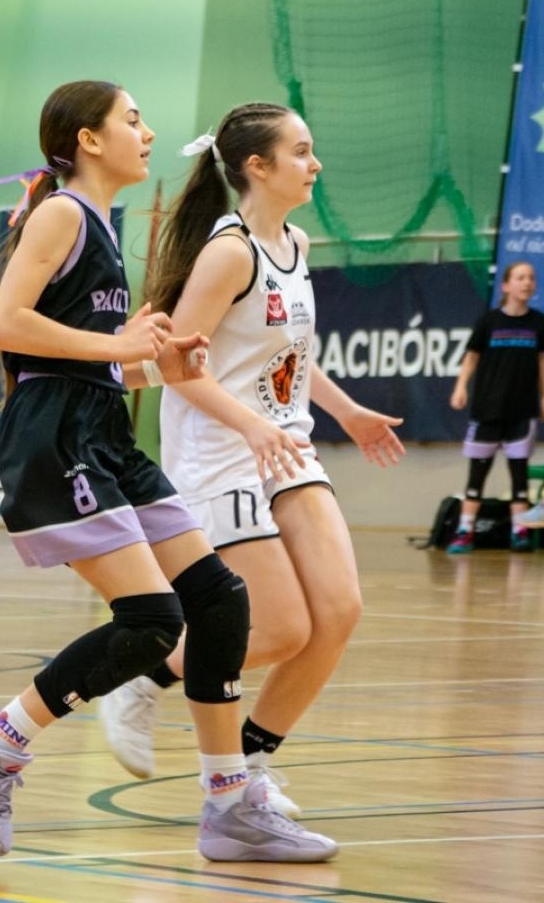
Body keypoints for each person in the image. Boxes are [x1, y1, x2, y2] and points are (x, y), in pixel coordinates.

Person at [0, 81, 337, 863]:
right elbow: (6, 326)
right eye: (132, 119)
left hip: (103, 431)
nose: (148, 132)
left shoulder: (99, 224)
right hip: (55, 439)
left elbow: (97, 358)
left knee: (219, 600)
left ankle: (230, 804)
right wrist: (120, 345)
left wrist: (156, 360)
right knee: (153, 620)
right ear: (89, 140)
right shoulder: (61, 212)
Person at [96, 103, 404, 818]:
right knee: (281, 629)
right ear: (257, 167)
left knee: (339, 612)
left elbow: (289, 353)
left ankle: (254, 763)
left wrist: (346, 411)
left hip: (282, 443)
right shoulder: (229, 253)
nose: (315, 164)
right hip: (222, 453)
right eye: (301, 151)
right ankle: (142, 678)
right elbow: (179, 368)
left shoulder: (296, 241)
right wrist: (254, 428)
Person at [446, 261, 544, 553]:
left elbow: (541, 361)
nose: (527, 282)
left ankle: (520, 531)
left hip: (523, 408)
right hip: (487, 407)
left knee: (519, 473)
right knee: (477, 472)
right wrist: (460, 387)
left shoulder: (539, 322)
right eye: (520, 277)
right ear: (506, 285)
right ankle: (465, 531)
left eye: (531, 278)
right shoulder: (488, 321)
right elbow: (471, 357)